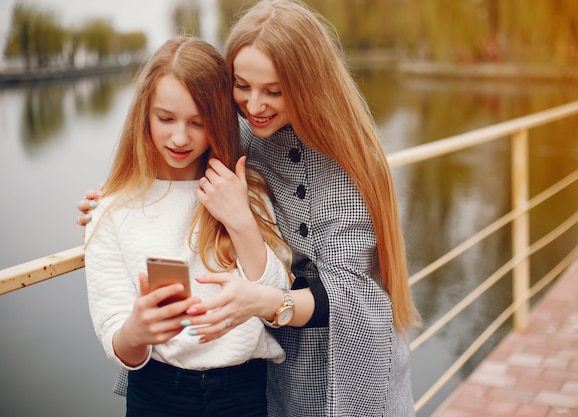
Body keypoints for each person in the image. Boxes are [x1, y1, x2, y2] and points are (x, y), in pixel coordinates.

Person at [78, 1, 420, 416]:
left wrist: (265, 298)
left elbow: (357, 296)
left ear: (308, 85)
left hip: (335, 363)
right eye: (241, 86)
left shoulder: (344, 163)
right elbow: (176, 142)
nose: (254, 106)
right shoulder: (236, 130)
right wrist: (114, 198)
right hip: (259, 372)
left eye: (274, 91)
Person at [83, 35, 293, 417]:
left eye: (198, 123)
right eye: (165, 119)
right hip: (157, 394)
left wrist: (241, 220)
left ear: (220, 122)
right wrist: (136, 330)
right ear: (144, 114)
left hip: (243, 393)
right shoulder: (111, 210)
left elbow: (276, 299)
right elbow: (117, 341)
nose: (180, 138)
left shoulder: (244, 190)